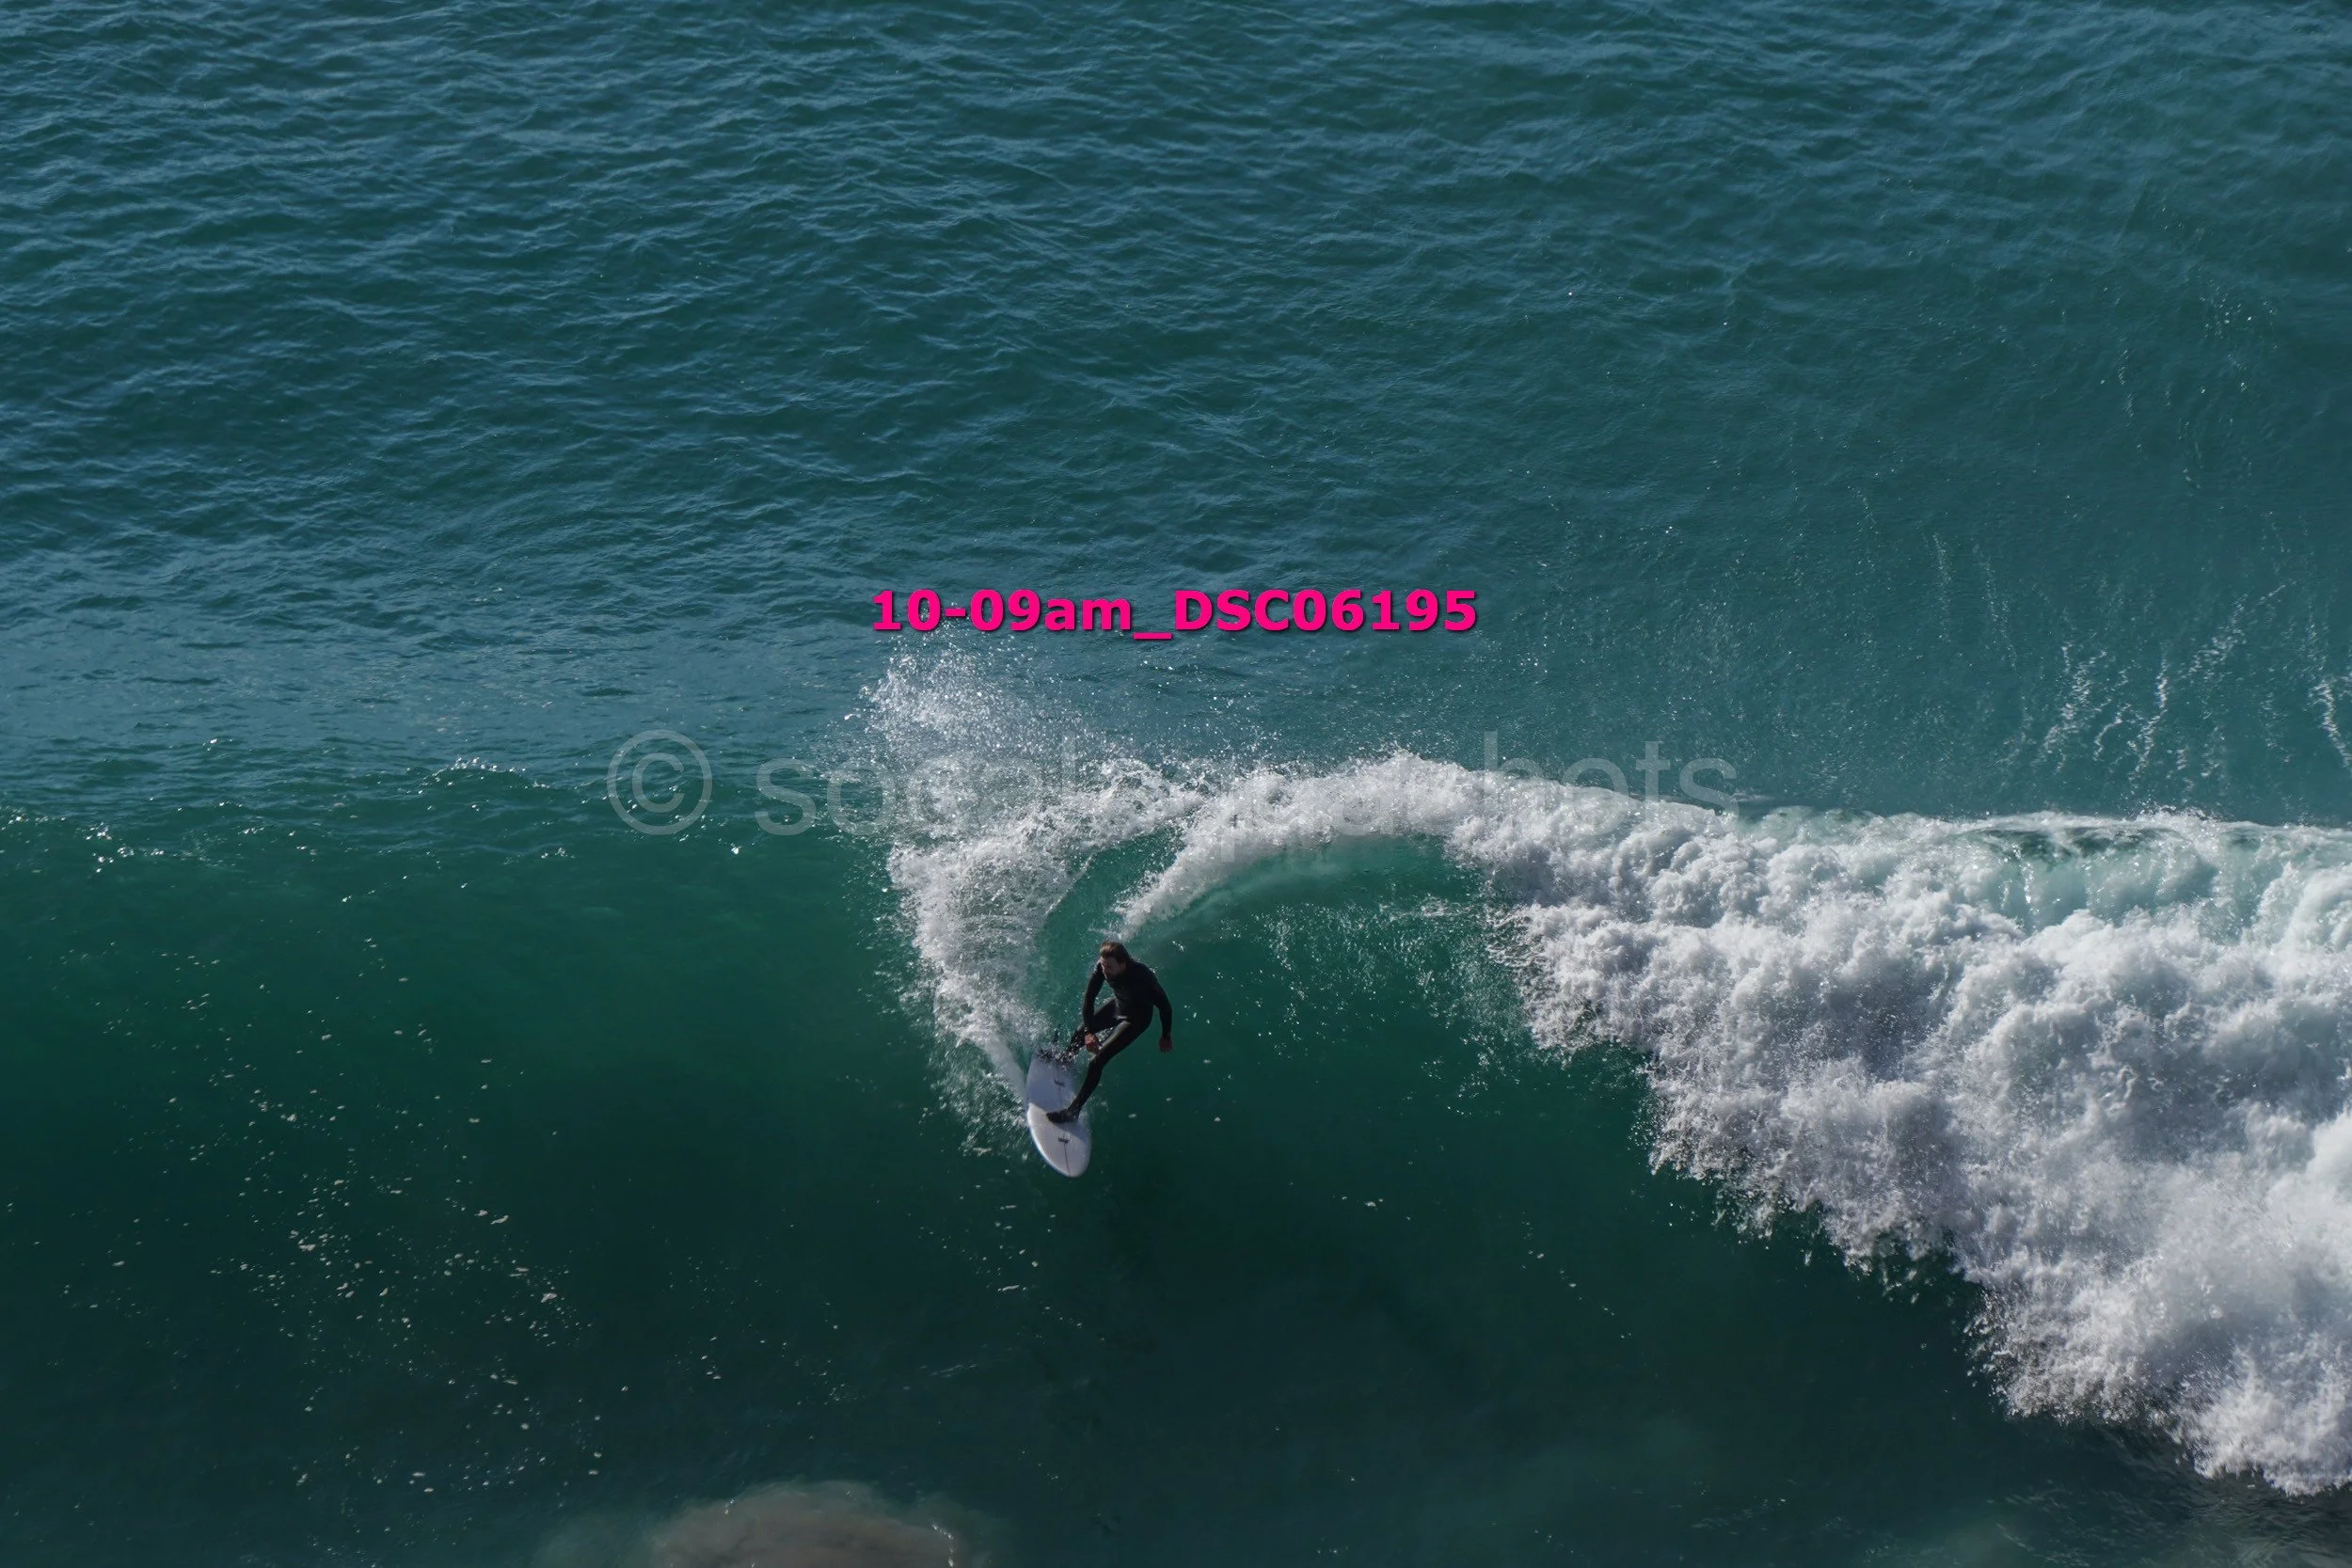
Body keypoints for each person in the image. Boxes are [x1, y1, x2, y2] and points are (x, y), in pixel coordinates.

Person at [1048, 940, 1173, 1123]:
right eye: (1103, 964)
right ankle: (1066, 1060)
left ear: (1123, 964)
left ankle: (1072, 1112)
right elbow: (1089, 999)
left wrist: (1166, 1035)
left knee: (1097, 1061)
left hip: (1135, 1020)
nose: (1104, 969)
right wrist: (1089, 1032)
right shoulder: (1102, 967)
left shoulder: (1143, 978)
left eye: (1109, 966)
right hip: (1118, 1007)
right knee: (1079, 1034)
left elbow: (1165, 1007)